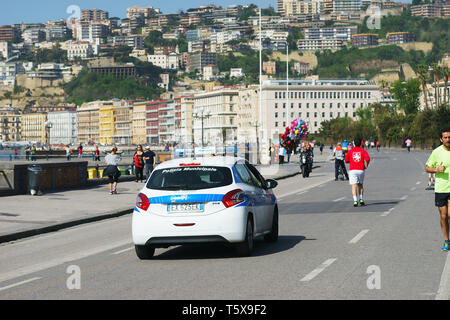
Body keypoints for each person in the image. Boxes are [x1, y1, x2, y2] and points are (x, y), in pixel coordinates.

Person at [425, 127, 450, 251]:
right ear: (441, 139)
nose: (447, 139)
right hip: (441, 189)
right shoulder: (436, 152)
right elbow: (427, 168)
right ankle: (446, 240)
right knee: (444, 216)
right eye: (445, 137)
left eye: (449, 137)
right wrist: (436, 170)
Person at [345, 137, 371, 207]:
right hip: (361, 170)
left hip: (353, 170)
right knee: (360, 185)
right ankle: (361, 199)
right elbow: (368, 159)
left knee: (354, 185)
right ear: (360, 143)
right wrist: (366, 165)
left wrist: (350, 161)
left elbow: (346, 160)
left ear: (354, 143)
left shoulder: (350, 151)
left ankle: (355, 201)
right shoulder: (363, 151)